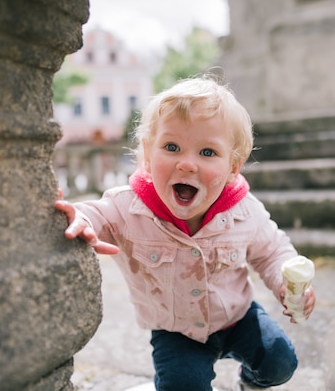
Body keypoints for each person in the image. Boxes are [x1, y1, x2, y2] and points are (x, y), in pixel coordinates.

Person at [55, 76, 316, 391]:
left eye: (207, 152)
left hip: (239, 318)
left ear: (233, 166)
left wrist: (287, 285)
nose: (187, 164)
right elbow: (96, 213)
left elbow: (273, 252)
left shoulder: (244, 210)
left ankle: (249, 383)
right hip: (176, 333)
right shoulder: (128, 207)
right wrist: (79, 218)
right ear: (148, 155)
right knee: (183, 385)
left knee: (280, 362)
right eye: (171, 147)